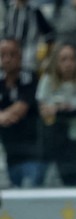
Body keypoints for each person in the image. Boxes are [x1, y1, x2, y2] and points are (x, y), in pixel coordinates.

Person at [37, 42, 76, 186]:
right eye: (64, 59)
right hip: (60, 143)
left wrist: (60, 110)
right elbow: (43, 110)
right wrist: (66, 110)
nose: (68, 64)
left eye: (72, 59)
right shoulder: (47, 81)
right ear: (56, 62)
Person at [0, 38, 46, 188]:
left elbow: (21, 108)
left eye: (12, 55)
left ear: (20, 56)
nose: (7, 59)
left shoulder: (31, 78)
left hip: (33, 153)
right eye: (2, 55)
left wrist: (3, 116)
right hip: (10, 154)